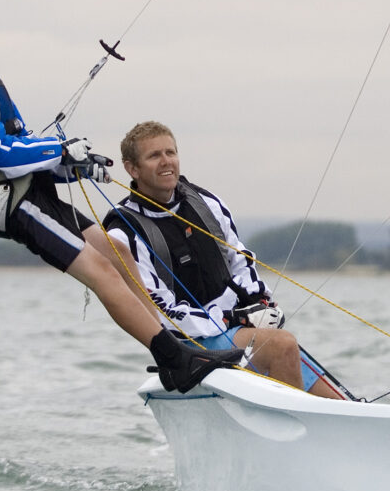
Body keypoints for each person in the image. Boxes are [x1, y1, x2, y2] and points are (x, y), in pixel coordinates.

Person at [0, 0, 241, 393]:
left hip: (30, 189)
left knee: (118, 252)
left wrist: (73, 165)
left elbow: (23, 144)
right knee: (99, 269)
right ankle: (175, 361)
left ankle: (178, 345)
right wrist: (59, 150)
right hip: (8, 200)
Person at [105, 121, 345, 399]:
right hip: (190, 343)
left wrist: (258, 302)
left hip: (234, 328)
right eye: (154, 155)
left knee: (341, 401)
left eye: (170, 152)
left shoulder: (206, 203)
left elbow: (240, 259)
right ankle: (295, 435)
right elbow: (158, 312)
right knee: (282, 346)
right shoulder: (123, 232)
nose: (166, 161)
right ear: (132, 169)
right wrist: (232, 317)